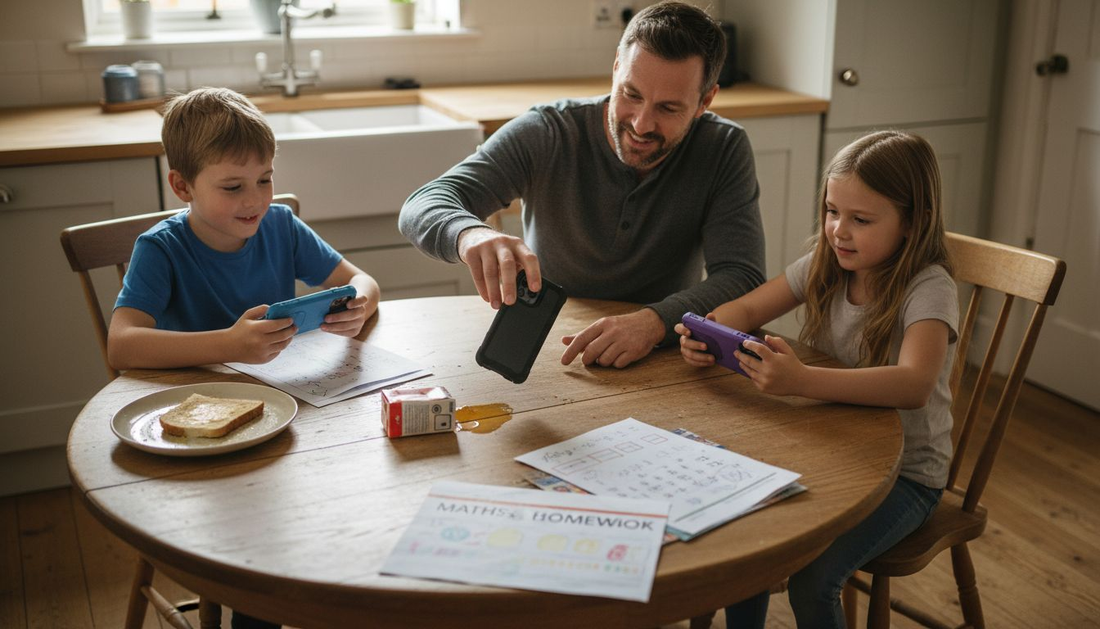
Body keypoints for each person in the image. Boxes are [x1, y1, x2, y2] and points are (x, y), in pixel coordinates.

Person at [677, 130, 956, 628]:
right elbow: (747, 306)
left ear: (912, 223)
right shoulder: (826, 264)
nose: (838, 232)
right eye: (832, 211)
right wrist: (714, 330)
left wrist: (801, 380)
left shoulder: (928, 287)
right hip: (832, 445)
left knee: (813, 580)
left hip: (908, 475)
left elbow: (915, 384)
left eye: (860, 219)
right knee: (751, 543)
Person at [399, 1, 765, 369]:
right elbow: (422, 205)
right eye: (631, 95)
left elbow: (742, 276)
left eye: (668, 109)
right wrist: (469, 235)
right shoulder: (548, 131)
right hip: (545, 346)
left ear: (705, 101)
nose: (641, 124)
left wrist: (654, 324)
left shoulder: (723, 147)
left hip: (663, 349)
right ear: (616, 69)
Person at [108, 87, 380, 374]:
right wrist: (229, 345)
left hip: (276, 389)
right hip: (192, 397)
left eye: (264, 180)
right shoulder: (161, 249)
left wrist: (358, 307)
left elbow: (362, 280)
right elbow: (121, 345)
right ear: (182, 186)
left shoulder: (280, 226)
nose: (255, 200)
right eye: (233, 187)